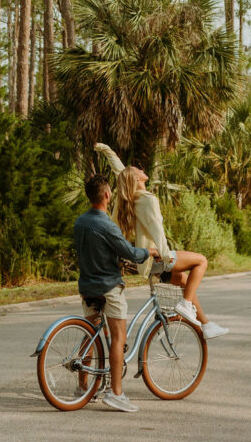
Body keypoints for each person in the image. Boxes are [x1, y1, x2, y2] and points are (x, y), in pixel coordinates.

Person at [95, 142, 229, 341]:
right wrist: (167, 257)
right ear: (138, 178)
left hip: (145, 261)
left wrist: (105, 149)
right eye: (138, 169)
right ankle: (184, 306)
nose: (141, 168)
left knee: (184, 281)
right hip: (156, 257)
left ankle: (205, 325)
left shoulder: (129, 196)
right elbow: (158, 233)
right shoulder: (148, 200)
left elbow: (119, 169)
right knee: (201, 261)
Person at [74, 173, 160, 413]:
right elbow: (130, 253)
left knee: (89, 333)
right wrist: (150, 252)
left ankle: (82, 388)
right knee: (117, 337)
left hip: (87, 286)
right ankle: (116, 393)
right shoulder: (107, 224)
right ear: (107, 195)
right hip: (108, 287)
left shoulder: (80, 222)